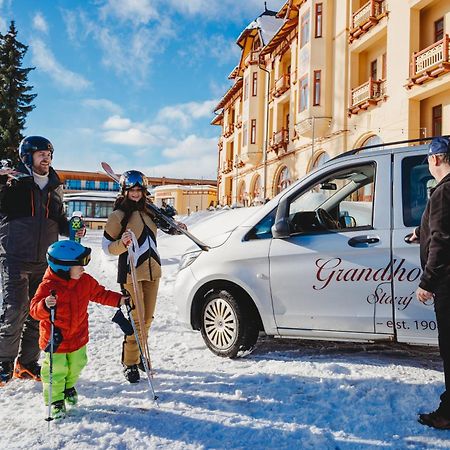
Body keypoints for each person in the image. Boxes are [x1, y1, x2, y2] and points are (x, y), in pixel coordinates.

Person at [0, 136, 83, 386]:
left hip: (44, 262)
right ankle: (3, 363)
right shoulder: (12, 182)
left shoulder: (54, 187)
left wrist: (72, 229)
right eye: (40, 154)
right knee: (14, 310)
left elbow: (58, 220)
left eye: (48, 153)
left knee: (40, 312)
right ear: (27, 157)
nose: (46, 157)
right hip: (14, 257)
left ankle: (26, 364)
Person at [102, 170, 185, 383]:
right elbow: (106, 247)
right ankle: (129, 362)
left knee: (147, 320)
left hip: (152, 272)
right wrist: (123, 243)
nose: (136, 194)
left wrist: (178, 228)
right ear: (125, 191)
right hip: (131, 274)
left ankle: (139, 355)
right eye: (132, 190)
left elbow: (168, 227)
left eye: (140, 190)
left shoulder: (150, 212)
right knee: (136, 321)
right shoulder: (118, 215)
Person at [30, 240, 128, 419]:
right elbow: (34, 310)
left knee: (77, 365)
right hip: (56, 340)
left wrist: (119, 300)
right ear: (63, 268)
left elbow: (100, 294)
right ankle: (55, 400)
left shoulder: (84, 281)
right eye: (79, 265)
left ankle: (68, 387)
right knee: (55, 370)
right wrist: (44, 305)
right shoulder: (48, 287)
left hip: (78, 336)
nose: (83, 269)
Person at [411, 137, 450, 429]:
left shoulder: (443, 193)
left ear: (436, 159)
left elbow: (442, 240)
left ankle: (448, 414)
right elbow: (439, 227)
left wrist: (427, 282)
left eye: (428, 159)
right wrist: (419, 231)